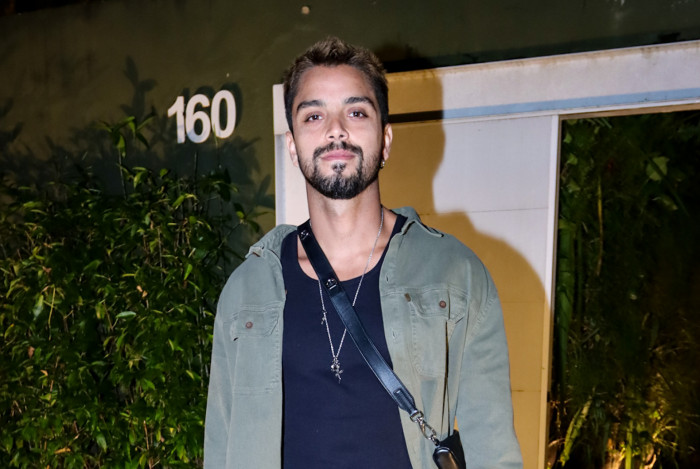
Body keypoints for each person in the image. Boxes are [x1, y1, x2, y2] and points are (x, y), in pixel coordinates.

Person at [204, 37, 522, 469]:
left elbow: (494, 450)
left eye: (356, 112)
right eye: (314, 115)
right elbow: (221, 447)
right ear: (292, 146)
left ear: (386, 140)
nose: (336, 129)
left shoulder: (455, 274)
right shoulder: (247, 289)